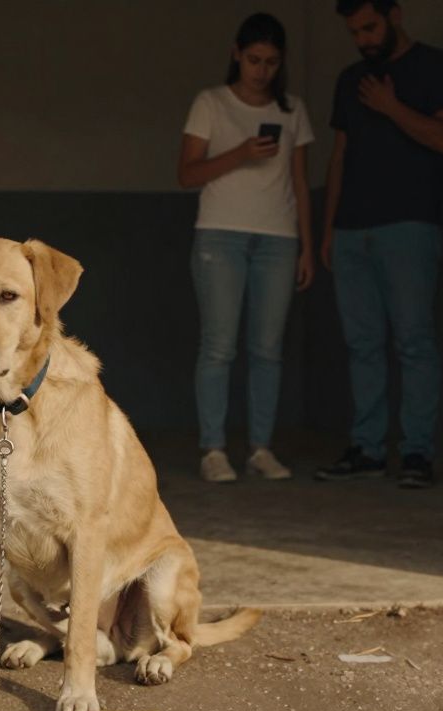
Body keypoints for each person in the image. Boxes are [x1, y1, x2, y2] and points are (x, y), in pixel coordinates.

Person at [315, 0, 443, 489]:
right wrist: (328, 228)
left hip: (411, 227)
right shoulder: (349, 79)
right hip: (350, 231)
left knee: (414, 341)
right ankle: (368, 450)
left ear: (395, 15)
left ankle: (418, 454)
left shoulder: (438, 67)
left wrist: (391, 106)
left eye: (370, 27)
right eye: (354, 32)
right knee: (362, 346)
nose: (362, 39)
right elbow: (339, 156)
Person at [178, 13, 315, 483]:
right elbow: (187, 174)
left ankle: (261, 448)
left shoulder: (292, 108)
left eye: (271, 62)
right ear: (237, 53)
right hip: (220, 234)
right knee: (218, 346)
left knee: (267, 349)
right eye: (254, 59)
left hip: (279, 238)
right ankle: (213, 450)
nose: (262, 70)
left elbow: (299, 181)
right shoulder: (210, 103)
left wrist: (307, 248)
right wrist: (241, 154)